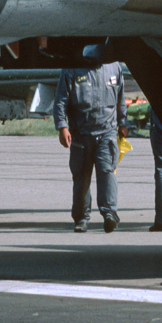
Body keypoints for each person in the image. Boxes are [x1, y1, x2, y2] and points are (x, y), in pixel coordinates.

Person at [53, 63, 127, 232]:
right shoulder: (71, 68)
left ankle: (109, 215)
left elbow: (120, 98)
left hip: (107, 131)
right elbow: (60, 100)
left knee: (107, 172)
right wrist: (62, 127)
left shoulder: (114, 67)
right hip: (80, 133)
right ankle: (81, 218)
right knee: (81, 177)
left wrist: (123, 122)